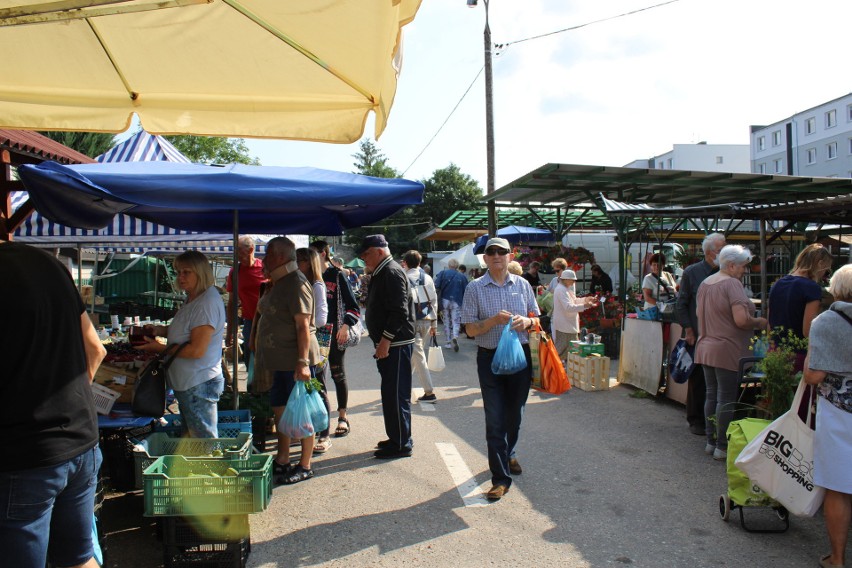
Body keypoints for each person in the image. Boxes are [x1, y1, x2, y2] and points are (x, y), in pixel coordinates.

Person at [0, 242, 107, 568]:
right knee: (77, 559)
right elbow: (96, 350)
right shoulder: (47, 264)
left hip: (25, 456)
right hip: (80, 441)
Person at [460, 237, 540, 501]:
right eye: (491, 252)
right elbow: (470, 330)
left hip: (520, 357)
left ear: (510, 256)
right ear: (484, 258)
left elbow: (537, 319)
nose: (496, 256)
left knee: (514, 414)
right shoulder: (475, 288)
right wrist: (494, 320)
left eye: (501, 252)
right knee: (494, 419)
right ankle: (500, 478)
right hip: (489, 358)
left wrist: (527, 321)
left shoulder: (523, 284)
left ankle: (510, 452)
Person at [255, 237, 321, 484]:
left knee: (301, 413)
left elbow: (303, 325)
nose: (264, 259)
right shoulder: (279, 281)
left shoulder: (296, 283)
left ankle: (305, 464)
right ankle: (283, 459)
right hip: (279, 362)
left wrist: (303, 362)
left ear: (281, 256)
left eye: (268, 254)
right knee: (281, 411)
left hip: (294, 362)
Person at [140, 251, 226, 438]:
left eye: (186, 272)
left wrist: (160, 349)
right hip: (191, 382)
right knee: (193, 438)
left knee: (203, 441)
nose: (180, 277)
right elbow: (187, 330)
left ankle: (209, 468)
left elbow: (196, 350)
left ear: (200, 272)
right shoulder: (194, 297)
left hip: (198, 382)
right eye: (178, 272)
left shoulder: (206, 303)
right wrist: (160, 331)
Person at [694, 244, 768, 461]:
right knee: (725, 398)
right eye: (743, 266)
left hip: (706, 345)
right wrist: (760, 321)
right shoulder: (732, 285)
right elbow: (741, 320)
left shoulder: (705, 283)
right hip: (727, 348)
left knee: (711, 394)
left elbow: (699, 313)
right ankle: (722, 446)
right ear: (732, 265)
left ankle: (710, 441)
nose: (744, 270)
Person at [803, 264, 852, 568]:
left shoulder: (826, 321)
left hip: (840, 412)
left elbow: (813, 376)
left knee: (839, 486)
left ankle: (837, 558)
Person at [358, 234, 416, 459]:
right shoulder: (383, 270)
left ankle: (401, 442)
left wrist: (385, 341)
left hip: (396, 344)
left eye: (366, 254)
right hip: (393, 344)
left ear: (379, 251)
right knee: (390, 393)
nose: (363, 259)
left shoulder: (390, 271)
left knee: (396, 394)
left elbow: (399, 311)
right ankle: (397, 437)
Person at [675, 232, 726, 436]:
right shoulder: (692, 272)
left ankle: (713, 419)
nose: (723, 253)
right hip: (698, 332)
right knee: (697, 377)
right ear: (709, 252)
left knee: (715, 378)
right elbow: (681, 303)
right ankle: (696, 419)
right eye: (720, 250)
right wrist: (688, 329)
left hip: (719, 333)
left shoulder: (726, 273)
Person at [310, 240, 361, 438]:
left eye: (312, 254)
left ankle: (342, 416)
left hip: (335, 331)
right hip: (314, 333)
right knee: (316, 377)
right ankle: (319, 420)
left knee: (337, 373)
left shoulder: (337, 275)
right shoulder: (309, 276)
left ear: (323, 254)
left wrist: (346, 326)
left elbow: (353, 306)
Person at [296, 247, 332, 454]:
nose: (296, 265)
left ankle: (325, 433)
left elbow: (321, 319)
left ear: (309, 263)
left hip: (316, 340)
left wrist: (304, 321)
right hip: (305, 340)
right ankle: (308, 430)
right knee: (307, 389)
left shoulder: (317, 285)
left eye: (299, 261)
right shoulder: (300, 283)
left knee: (318, 387)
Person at [225, 235, 267, 368]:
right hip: (249, 321)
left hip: (267, 321)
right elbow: (231, 303)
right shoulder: (235, 272)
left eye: (239, 250)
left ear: (251, 250)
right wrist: (230, 331)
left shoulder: (265, 268)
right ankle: (252, 387)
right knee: (250, 360)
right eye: (235, 250)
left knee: (267, 359)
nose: (236, 253)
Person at [404, 250, 440, 402]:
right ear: (420, 263)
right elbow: (434, 301)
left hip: (411, 322)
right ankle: (404, 385)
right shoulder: (428, 278)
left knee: (418, 356)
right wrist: (434, 324)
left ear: (405, 262)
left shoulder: (404, 277)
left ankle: (429, 392)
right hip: (427, 319)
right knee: (416, 355)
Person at [552, 269, 596, 361]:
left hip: (568, 326)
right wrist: (585, 305)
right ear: (566, 279)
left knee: (570, 352)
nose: (573, 282)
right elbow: (568, 307)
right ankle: (553, 370)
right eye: (572, 280)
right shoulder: (561, 290)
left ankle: (560, 370)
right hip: (564, 327)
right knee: (561, 352)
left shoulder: (565, 289)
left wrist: (586, 300)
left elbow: (574, 301)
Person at [433, 258, 469, 352]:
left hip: (445, 299)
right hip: (457, 300)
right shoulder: (462, 276)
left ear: (449, 265)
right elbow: (466, 290)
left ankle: (448, 342)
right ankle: (455, 336)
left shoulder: (443, 273)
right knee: (456, 321)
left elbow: (436, 285)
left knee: (446, 321)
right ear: (457, 266)